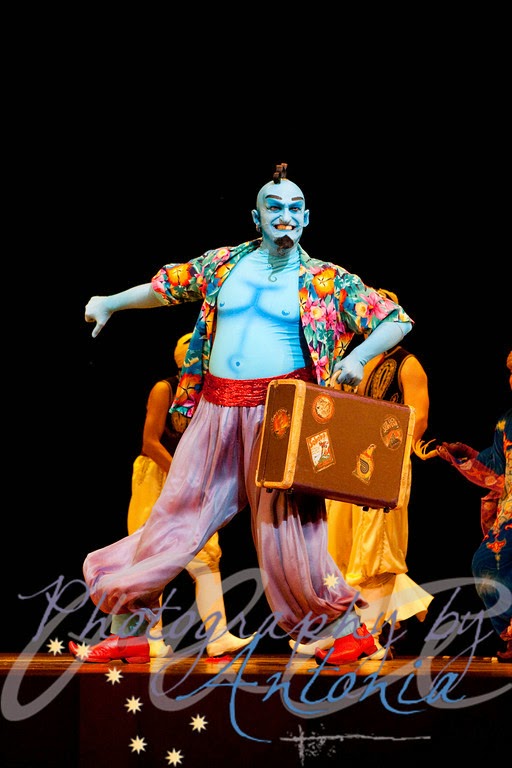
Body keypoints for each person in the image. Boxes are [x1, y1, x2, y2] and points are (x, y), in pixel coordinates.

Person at [73, 163, 414, 667]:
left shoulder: (326, 280)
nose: (285, 216)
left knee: (287, 532)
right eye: (274, 208)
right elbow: (166, 286)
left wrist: (360, 357)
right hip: (215, 408)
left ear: (307, 217)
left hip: (281, 415)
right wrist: (110, 302)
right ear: (256, 217)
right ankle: (131, 632)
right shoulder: (222, 264)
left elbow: (396, 319)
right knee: (173, 517)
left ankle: (345, 631)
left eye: (295, 208)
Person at [292, 294, 433, 658]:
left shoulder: (407, 364)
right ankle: (338, 631)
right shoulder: (350, 361)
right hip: (345, 470)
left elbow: (418, 417)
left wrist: (391, 461)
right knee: (336, 550)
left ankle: (368, 636)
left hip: (383, 469)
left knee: (377, 552)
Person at [106, 332, 254, 659]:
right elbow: (150, 442)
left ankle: (218, 635)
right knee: (150, 555)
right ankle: (151, 638)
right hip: (158, 476)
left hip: (192, 479)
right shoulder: (165, 389)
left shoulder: (214, 395)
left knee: (206, 554)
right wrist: (182, 474)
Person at [416, 349, 512, 662]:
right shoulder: (507, 422)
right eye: (511, 373)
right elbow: (496, 468)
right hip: (510, 511)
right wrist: (465, 456)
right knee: (486, 563)